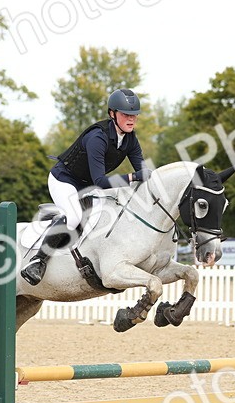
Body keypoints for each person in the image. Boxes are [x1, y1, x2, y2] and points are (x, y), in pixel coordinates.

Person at [21, 88, 150, 286]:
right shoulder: (97, 138)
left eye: (134, 115)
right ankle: (38, 261)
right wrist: (133, 176)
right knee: (73, 216)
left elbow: (144, 171)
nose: (131, 119)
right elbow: (101, 181)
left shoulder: (130, 139)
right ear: (112, 114)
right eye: (126, 115)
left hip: (87, 185)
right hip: (64, 180)